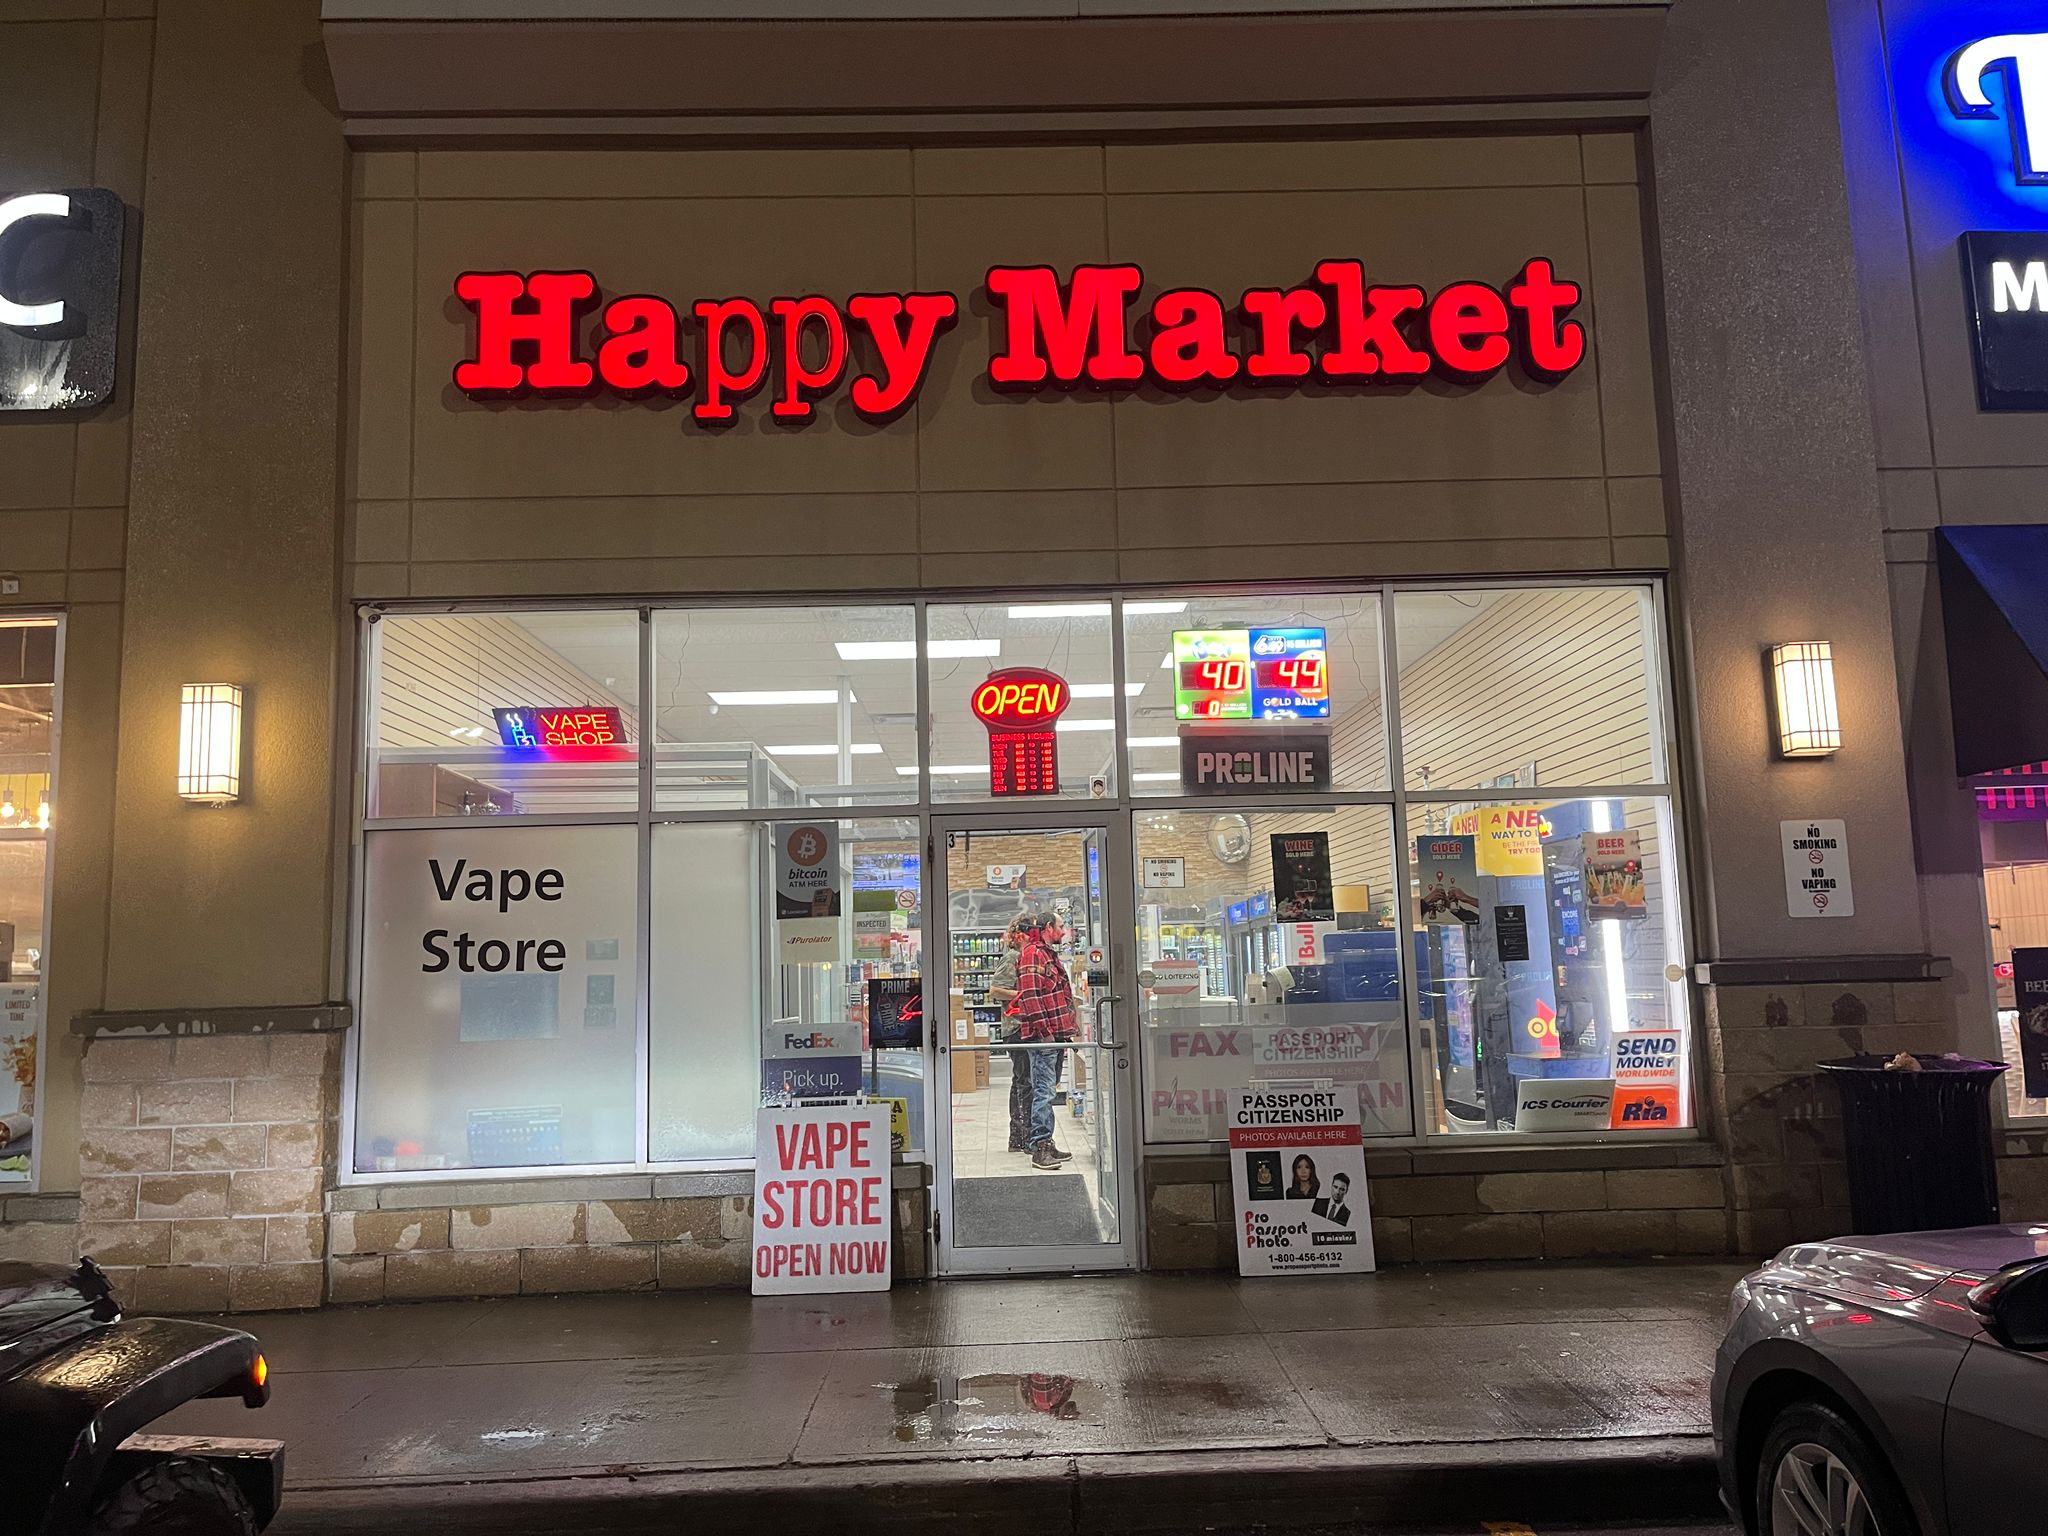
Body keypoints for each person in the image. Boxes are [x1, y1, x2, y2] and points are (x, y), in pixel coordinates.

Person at [1011, 909, 1079, 1170]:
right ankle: (1040, 1147)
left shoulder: (1047, 953)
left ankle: (1046, 1143)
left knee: (1047, 1090)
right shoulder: (1033, 954)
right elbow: (1030, 996)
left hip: (1055, 1035)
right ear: (1048, 927)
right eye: (1060, 926)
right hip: (1044, 1037)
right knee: (1043, 1090)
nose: (1064, 931)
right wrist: (1045, 1032)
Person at [985, 913, 1034, 1154]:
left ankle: (1019, 1137)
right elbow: (995, 990)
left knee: (1021, 1081)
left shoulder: (1026, 956)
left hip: (1023, 1027)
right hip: (1015, 1027)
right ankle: (1022, 1136)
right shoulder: (1013, 957)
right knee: (1024, 1082)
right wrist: (1025, 995)